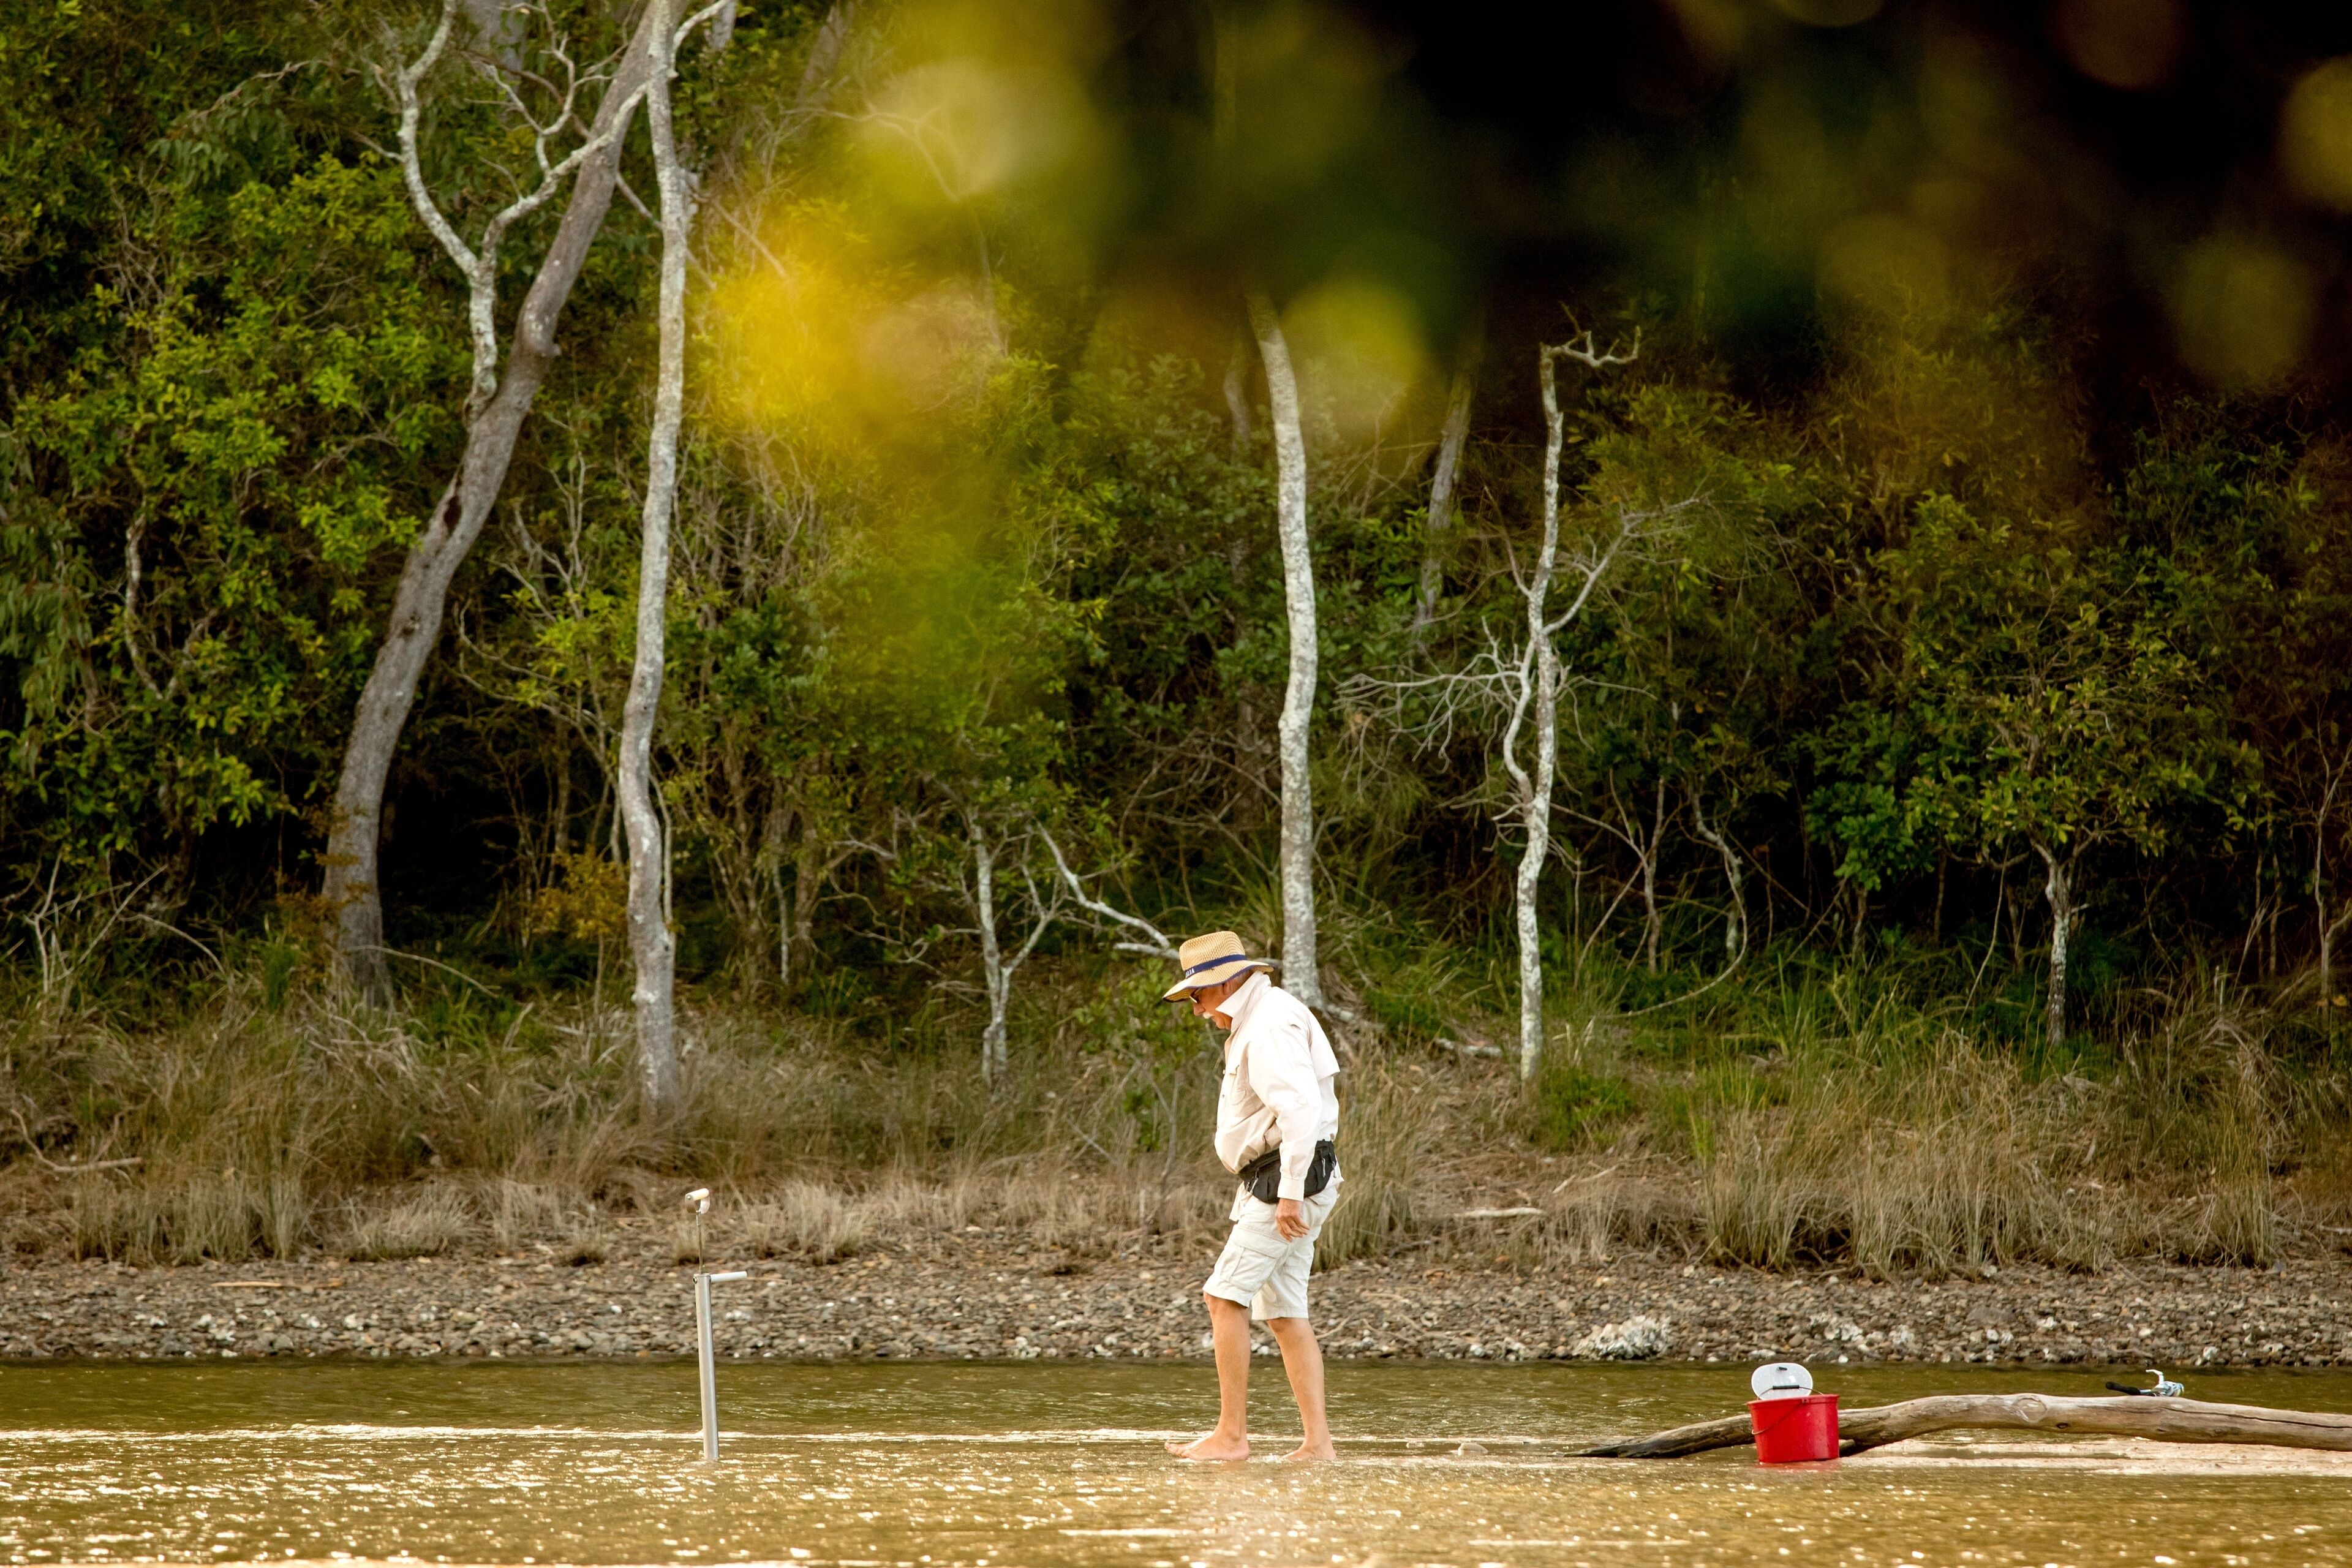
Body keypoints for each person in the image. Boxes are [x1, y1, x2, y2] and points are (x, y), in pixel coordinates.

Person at [1159, 930, 1341, 1463]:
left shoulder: (1267, 1027)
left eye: (1197, 994)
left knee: (1223, 1297)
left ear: (1225, 982)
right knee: (1285, 1313)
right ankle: (1318, 1445)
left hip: (1287, 1180)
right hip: (1289, 1177)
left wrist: (1287, 1194)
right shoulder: (1266, 1015)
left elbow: (1302, 1113)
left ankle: (1232, 1437)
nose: (1195, 1008)